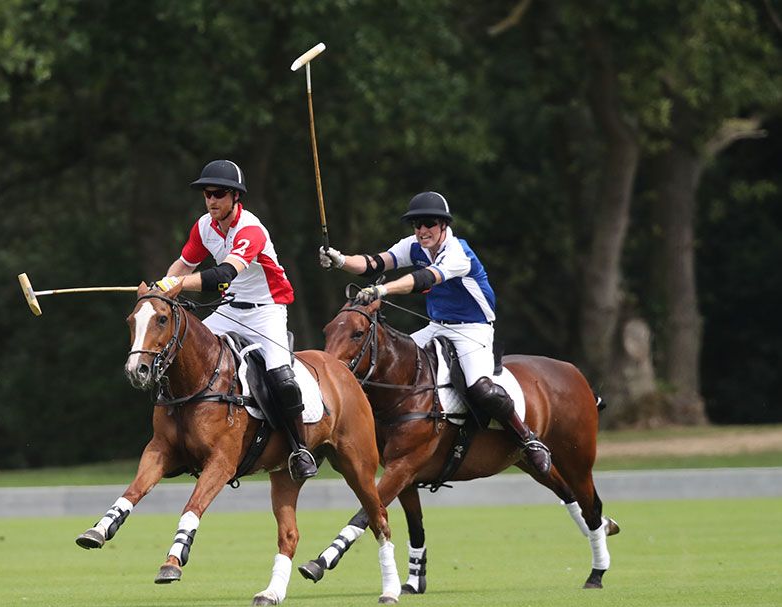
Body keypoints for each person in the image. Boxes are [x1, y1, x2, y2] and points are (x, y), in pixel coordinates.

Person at [318, 191, 551, 475]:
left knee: (480, 387)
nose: (421, 230)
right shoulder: (413, 245)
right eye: (416, 224)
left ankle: (528, 439)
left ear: (443, 225)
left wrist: (383, 289)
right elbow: (374, 263)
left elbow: (425, 278)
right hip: (436, 327)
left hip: (473, 330)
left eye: (428, 223)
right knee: (389, 364)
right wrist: (340, 259)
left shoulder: (457, 253)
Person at [155, 159, 318, 481]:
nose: (211, 200)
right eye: (206, 194)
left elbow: (223, 273)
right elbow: (184, 264)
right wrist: (160, 290)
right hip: (230, 309)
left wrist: (177, 285)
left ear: (234, 197)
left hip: (266, 308)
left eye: (217, 194)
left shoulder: (251, 230)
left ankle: (300, 449)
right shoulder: (204, 226)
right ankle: (175, 441)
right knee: (179, 353)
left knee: (282, 376)